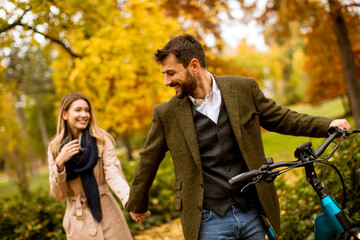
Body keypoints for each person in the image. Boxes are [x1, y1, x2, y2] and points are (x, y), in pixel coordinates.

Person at [125, 34, 351, 240]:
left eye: (171, 73)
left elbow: (283, 118)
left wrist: (327, 125)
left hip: (251, 211)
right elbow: (148, 158)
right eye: (165, 74)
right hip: (207, 220)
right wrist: (137, 203)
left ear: (194, 65)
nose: (166, 81)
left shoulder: (243, 89)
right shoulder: (167, 114)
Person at [47, 93, 133, 240]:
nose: (84, 115)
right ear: (65, 114)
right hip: (78, 221)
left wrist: (130, 201)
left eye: (87, 110)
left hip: (107, 212)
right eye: (78, 110)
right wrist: (60, 164)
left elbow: (114, 174)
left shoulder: (101, 139)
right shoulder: (55, 149)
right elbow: (59, 195)